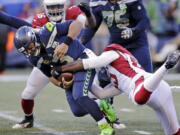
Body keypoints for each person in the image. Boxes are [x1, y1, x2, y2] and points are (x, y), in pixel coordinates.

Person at [13, 18, 115, 135]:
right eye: (27, 50)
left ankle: (106, 127)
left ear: (33, 37)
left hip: (83, 61)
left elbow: (76, 24)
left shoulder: (47, 32)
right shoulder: (34, 58)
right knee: (78, 111)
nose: (30, 51)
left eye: (30, 46)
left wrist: (66, 43)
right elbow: (49, 75)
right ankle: (100, 103)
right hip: (67, 70)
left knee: (79, 96)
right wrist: (61, 83)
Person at [58, 43, 180, 135]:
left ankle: (166, 66)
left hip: (144, 84)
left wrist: (61, 69)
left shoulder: (111, 53)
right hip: (159, 89)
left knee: (138, 99)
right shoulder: (118, 81)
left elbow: (90, 63)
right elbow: (101, 94)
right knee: (174, 132)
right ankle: (165, 67)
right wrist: (78, 83)